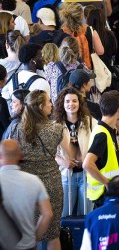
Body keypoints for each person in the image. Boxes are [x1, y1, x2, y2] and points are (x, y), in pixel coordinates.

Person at [9, 90, 73, 250]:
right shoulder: (56, 129)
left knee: (27, 232)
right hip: (51, 185)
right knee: (52, 234)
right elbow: (70, 153)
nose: (52, 104)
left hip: (25, 187)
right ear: (41, 107)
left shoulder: (16, 129)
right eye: (49, 102)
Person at [0, 139, 53, 250]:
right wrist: (35, 238)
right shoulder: (34, 181)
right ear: (20, 156)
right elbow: (47, 214)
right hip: (27, 245)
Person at [53, 87, 93, 217]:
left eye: (74, 101)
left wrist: (88, 159)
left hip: (86, 175)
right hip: (66, 175)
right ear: (62, 104)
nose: (71, 104)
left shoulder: (90, 121)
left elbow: (97, 145)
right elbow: (50, 152)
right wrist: (63, 162)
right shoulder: (55, 125)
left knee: (86, 214)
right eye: (67, 101)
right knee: (65, 214)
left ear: (79, 103)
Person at [83, 90, 119, 208]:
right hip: (104, 196)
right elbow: (87, 164)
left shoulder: (105, 129)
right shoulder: (102, 134)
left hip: (108, 195)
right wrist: (107, 182)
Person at [44, 37, 81, 104]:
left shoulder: (52, 67)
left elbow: (48, 85)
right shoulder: (82, 68)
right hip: (76, 106)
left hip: (58, 107)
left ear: (61, 49)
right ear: (78, 52)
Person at [0, 65, 10, 139]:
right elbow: (7, 126)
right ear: (0, 82)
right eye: (6, 77)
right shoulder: (1, 102)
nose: (7, 79)